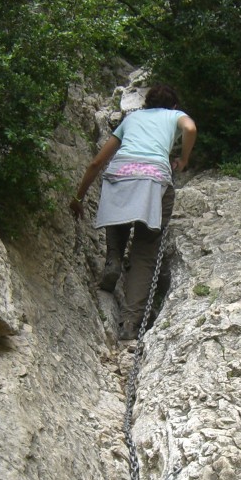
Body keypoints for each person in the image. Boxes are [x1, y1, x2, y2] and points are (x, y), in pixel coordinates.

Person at [70, 84, 197, 340]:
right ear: (173, 105)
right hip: (154, 179)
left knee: (118, 218)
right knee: (144, 251)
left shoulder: (132, 118)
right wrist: (183, 159)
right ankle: (129, 322)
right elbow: (191, 128)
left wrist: (78, 197)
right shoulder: (174, 116)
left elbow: (97, 162)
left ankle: (113, 260)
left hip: (120, 172)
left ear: (146, 104)